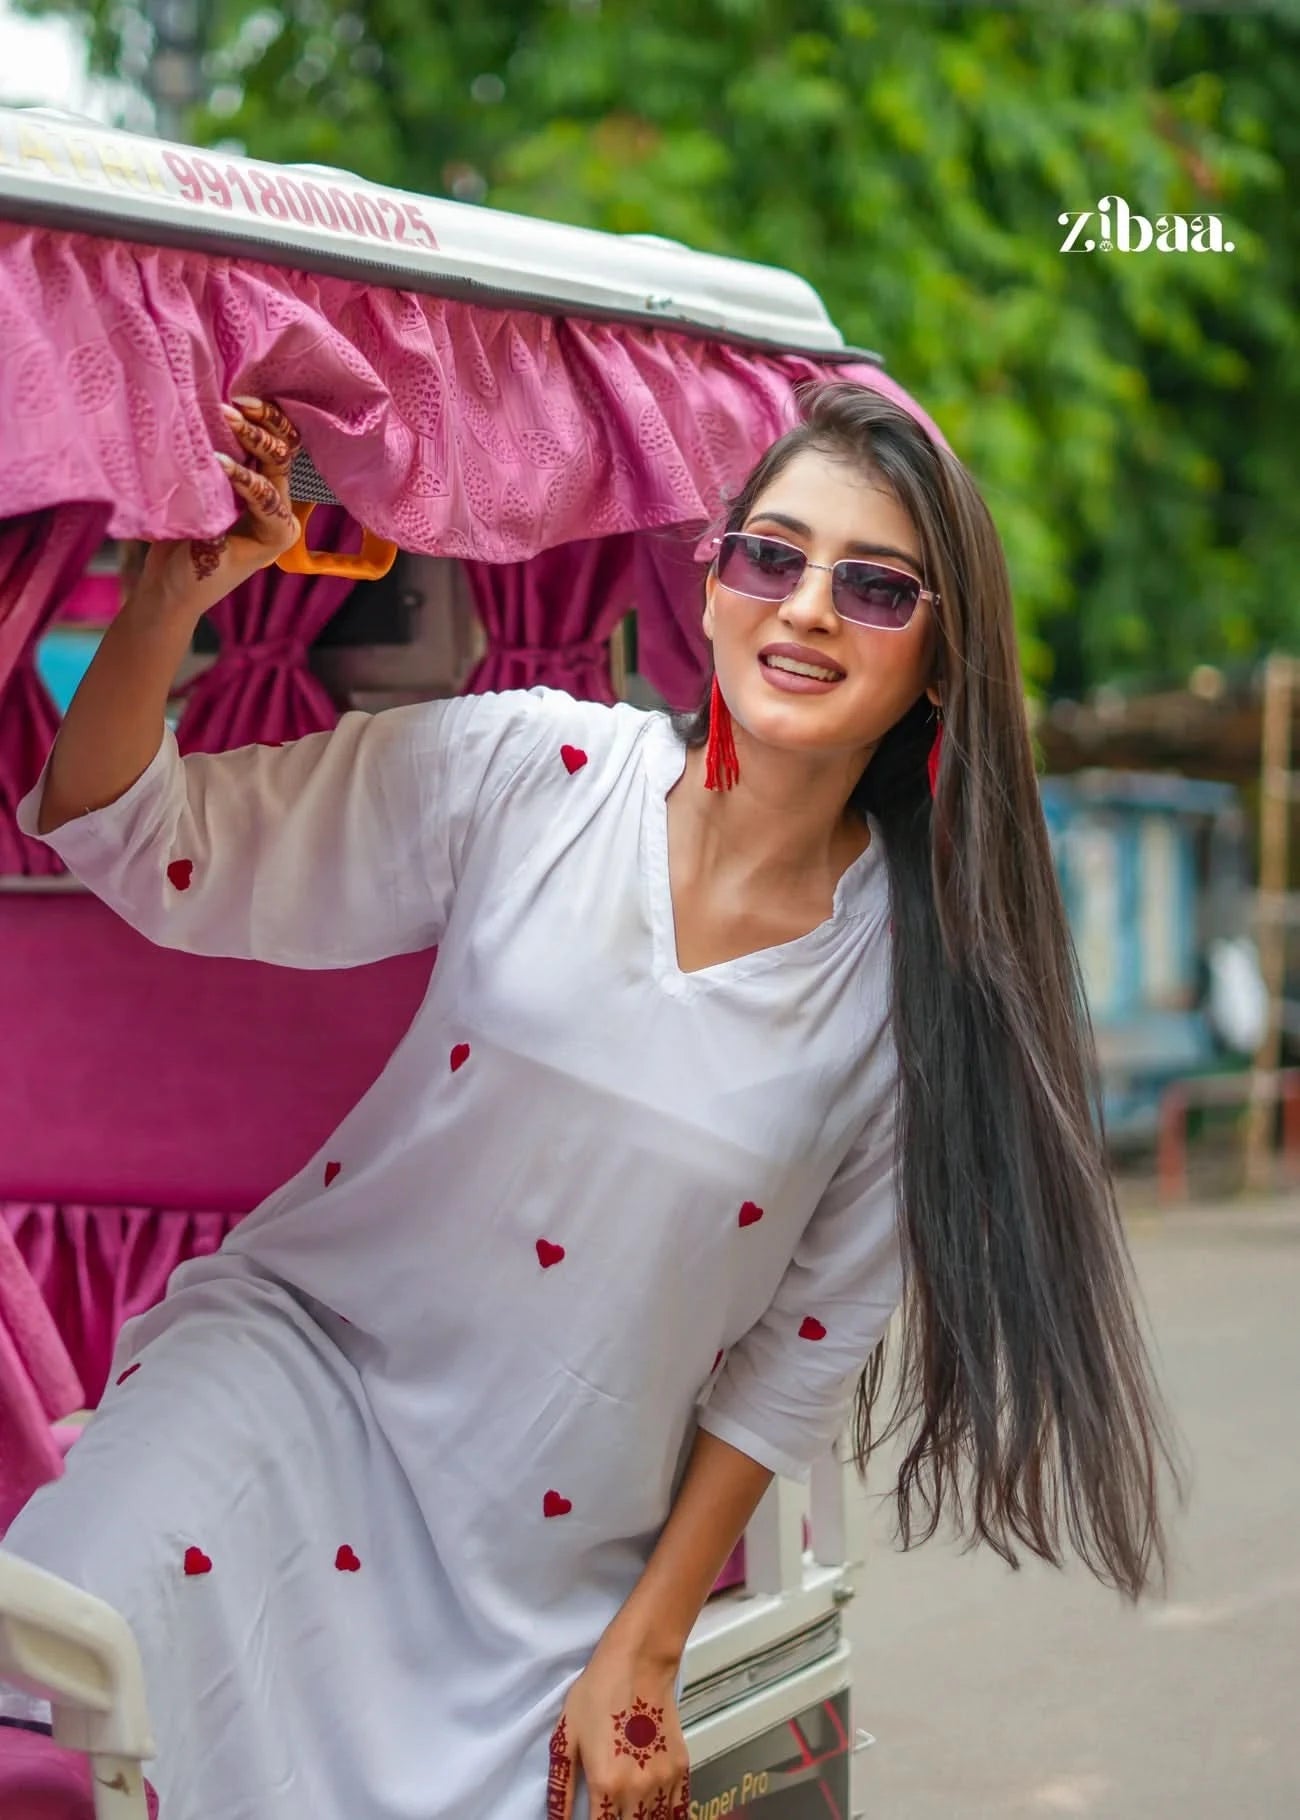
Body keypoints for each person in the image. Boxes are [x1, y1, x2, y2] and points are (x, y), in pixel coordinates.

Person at [4, 382, 1187, 1820]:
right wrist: (170, 602)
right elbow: (147, 843)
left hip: (545, 1553)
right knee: (59, 1660)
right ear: (715, 586)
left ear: (941, 660)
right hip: (288, 1377)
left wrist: (648, 1642)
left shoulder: (915, 992)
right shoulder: (536, 769)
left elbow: (799, 1358)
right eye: (774, 555)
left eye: (874, 588)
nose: (807, 608)